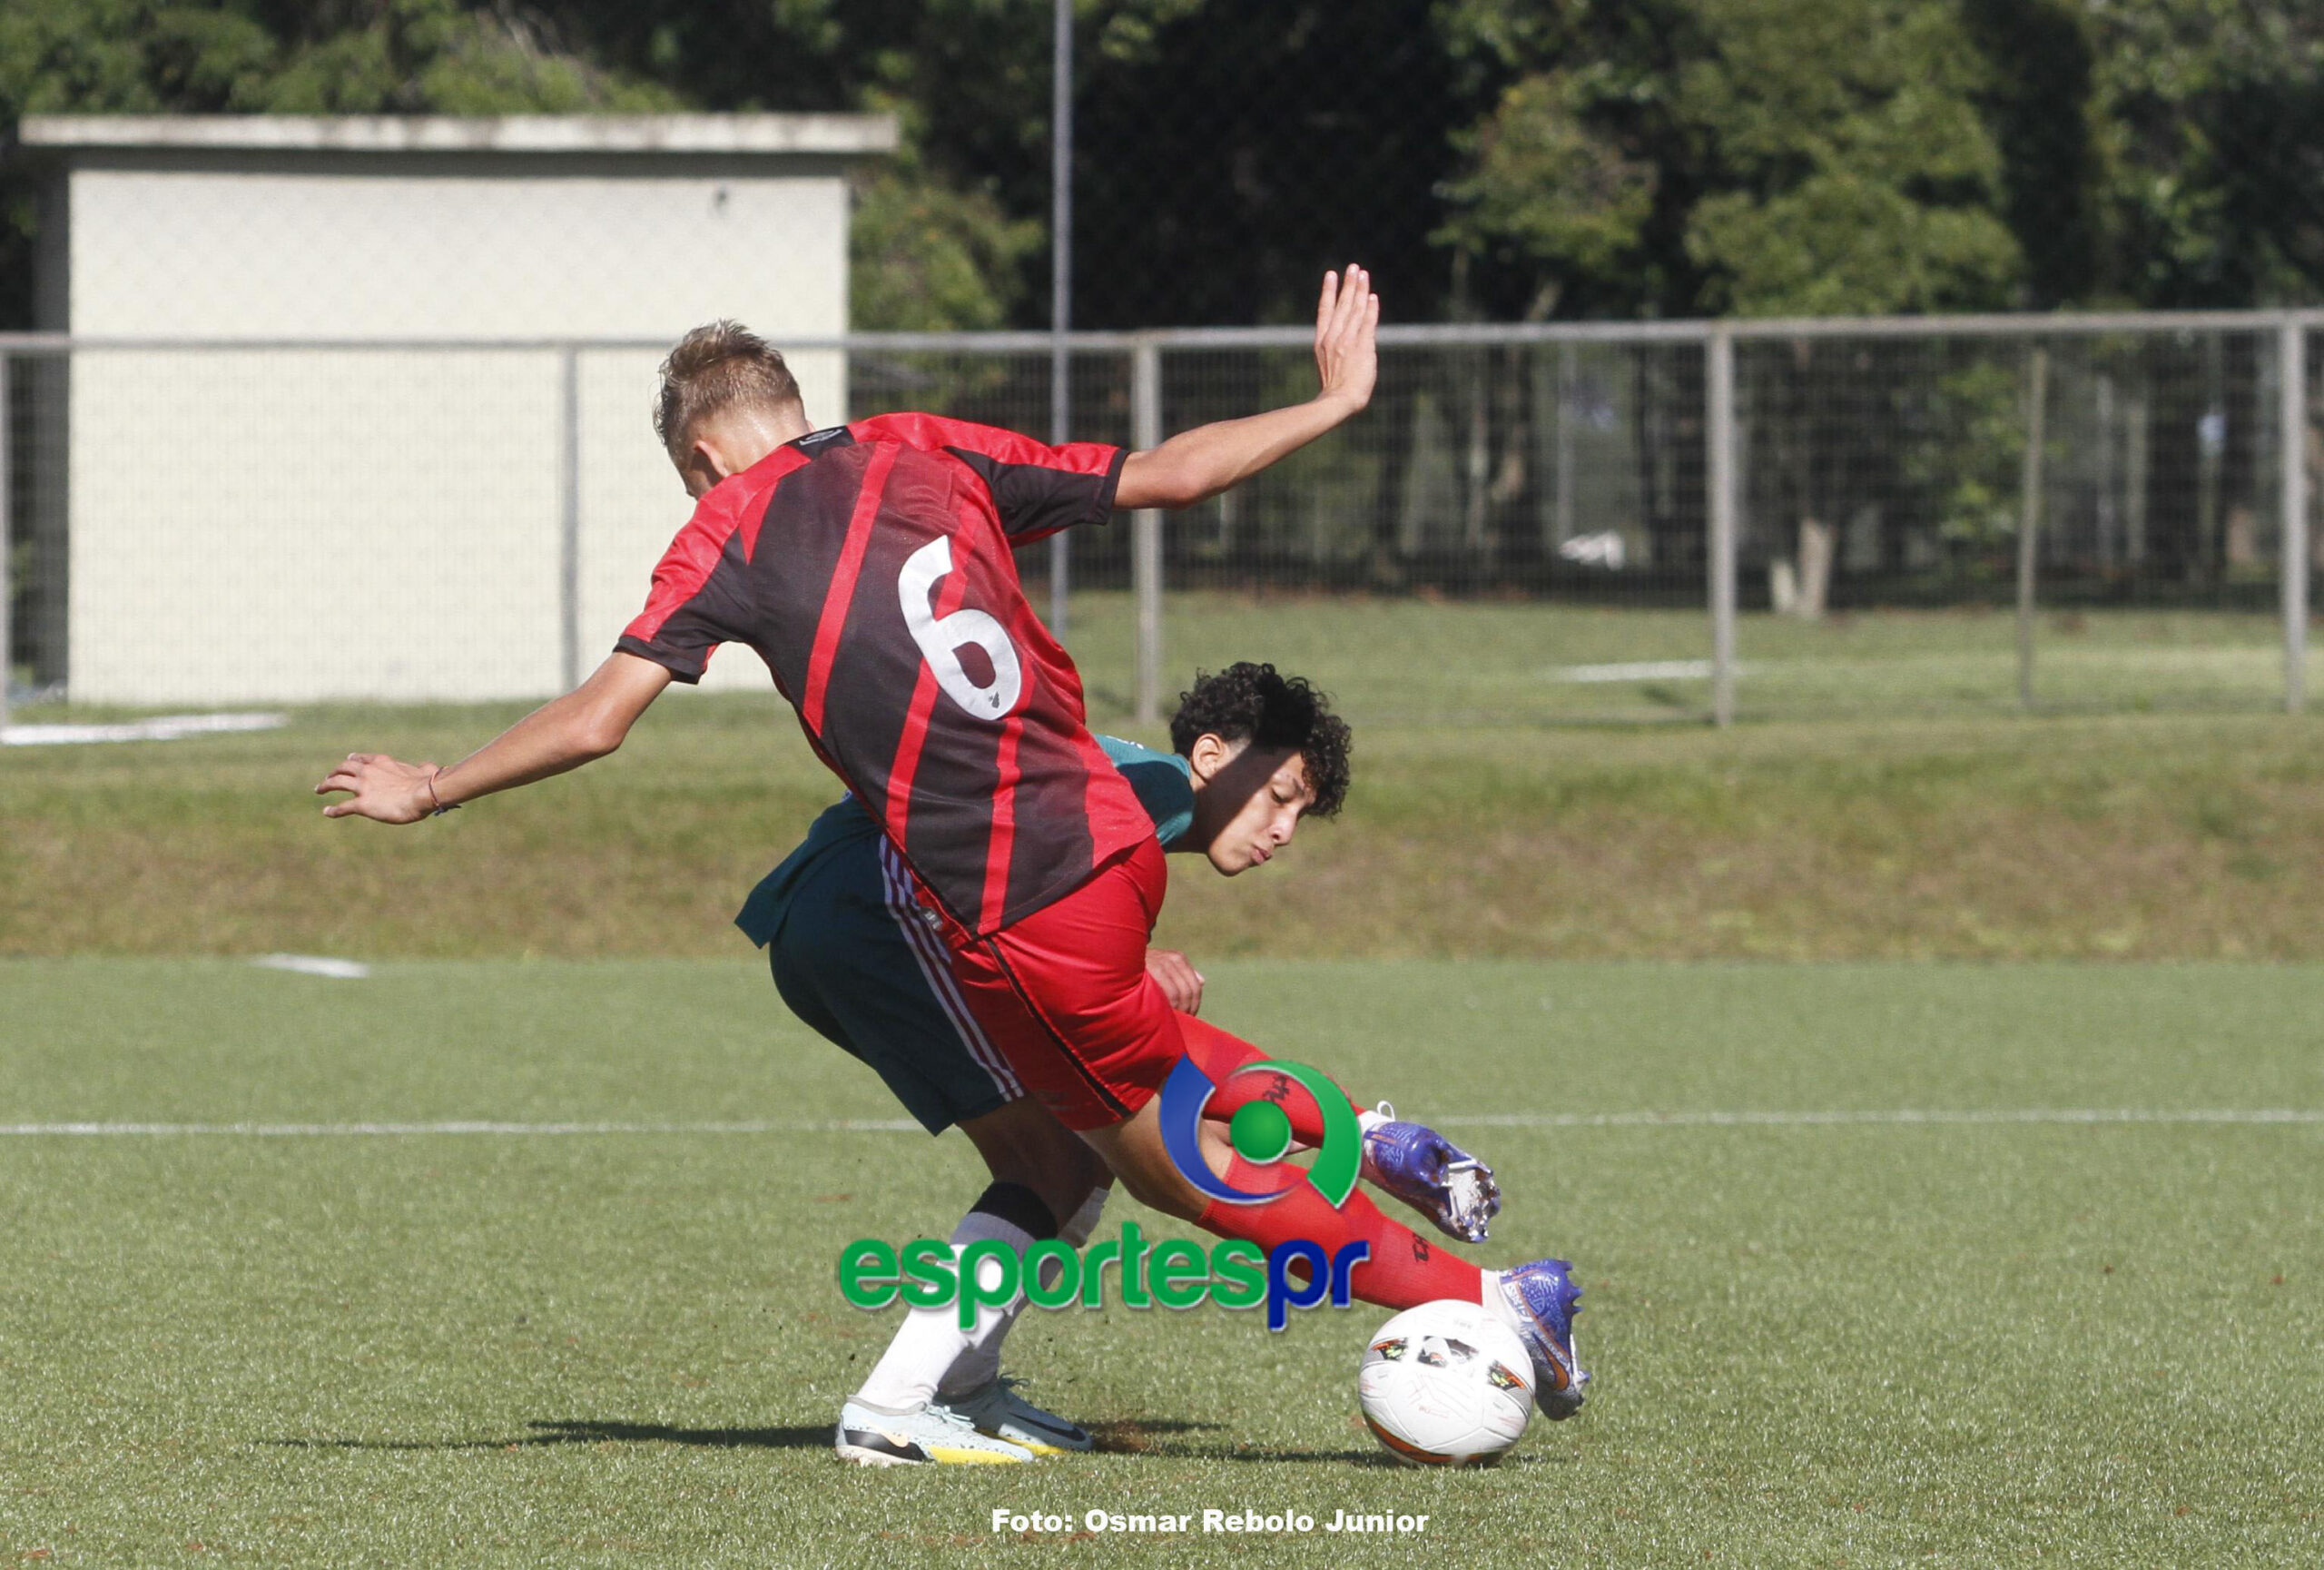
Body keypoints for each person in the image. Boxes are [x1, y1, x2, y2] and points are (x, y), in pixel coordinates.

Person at [317, 267, 1586, 1430]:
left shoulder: (726, 532)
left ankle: (1489, 1300)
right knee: (1108, 1147)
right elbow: (1174, 476)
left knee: (1169, 1172)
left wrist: (431, 787)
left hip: (1005, 897)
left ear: (705, 458)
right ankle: (1330, 1176)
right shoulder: (924, 445)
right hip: (1103, 849)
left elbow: (597, 721)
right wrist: (1332, 402)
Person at [756, 660, 1502, 1465]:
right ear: (1211, 757)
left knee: (1077, 1149)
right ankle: (889, 1412)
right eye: (1280, 795)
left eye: (1302, 813)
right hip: (872, 912)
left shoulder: (1138, 804)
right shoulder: (1142, 789)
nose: (1285, 830)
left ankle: (961, 1389)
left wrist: (1355, 1133)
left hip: (858, 916)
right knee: (1060, 1153)